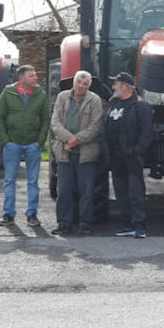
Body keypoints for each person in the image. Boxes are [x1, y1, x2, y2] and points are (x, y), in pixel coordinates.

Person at [0, 64, 51, 227]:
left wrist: (39, 141)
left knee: (33, 182)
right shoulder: (8, 93)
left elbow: (46, 119)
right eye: (31, 76)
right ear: (21, 79)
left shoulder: (40, 94)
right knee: (9, 181)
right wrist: (6, 140)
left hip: (33, 145)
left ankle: (32, 214)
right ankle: (8, 214)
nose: (36, 78)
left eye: (35, 75)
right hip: (12, 144)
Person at [51, 70, 103, 235]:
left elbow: (95, 127)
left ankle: (85, 223)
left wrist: (75, 140)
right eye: (79, 82)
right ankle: (64, 224)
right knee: (64, 190)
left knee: (86, 190)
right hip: (64, 152)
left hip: (86, 153)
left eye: (85, 83)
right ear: (74, 82)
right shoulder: (62, 97)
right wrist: (67, 139)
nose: (81, 86)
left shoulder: (95, 100)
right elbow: (55, 122)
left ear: (89, 85)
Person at [104, 71, 154, 238]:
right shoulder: (113, 104)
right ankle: (126, 224)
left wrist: (137, 151)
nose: (113, 87)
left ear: (125, 86)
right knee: (120, 191)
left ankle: (139, 225)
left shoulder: (141, 106)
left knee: (135, 191)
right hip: (115, 156)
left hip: (132, 156)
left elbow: (147, 132)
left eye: (116, 84)